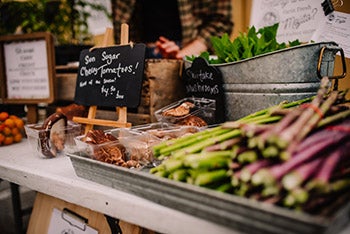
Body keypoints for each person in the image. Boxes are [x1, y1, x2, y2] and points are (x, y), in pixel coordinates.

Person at [112, 0, 234, 59]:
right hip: (141, 54)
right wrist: (131, 58)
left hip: (191, 52)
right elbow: (121, 21)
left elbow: (221, 21)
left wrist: (183, 55)